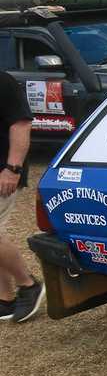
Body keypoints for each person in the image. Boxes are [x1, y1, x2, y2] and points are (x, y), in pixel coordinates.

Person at [0, 70, 41, 324]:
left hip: (3, 171)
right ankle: (5, 299)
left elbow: (21, 123)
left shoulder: (3, 81)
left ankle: (28, 284)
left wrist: (12, 168)